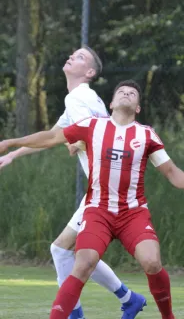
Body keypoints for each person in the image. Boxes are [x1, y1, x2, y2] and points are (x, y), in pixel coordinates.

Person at [0, 79, 184, 319]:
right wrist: (12, 143)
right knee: (83, 263)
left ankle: (168, 317)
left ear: (138, 107)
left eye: (132, 93)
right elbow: (51, 138)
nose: (126, 94)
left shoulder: (146, 134)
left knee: (152, 262)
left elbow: (170, 170)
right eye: (121, 91)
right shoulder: (92, 126)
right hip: (98, 211)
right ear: (112, 103)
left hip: (133, 213)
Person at [0, 50, 146, 319]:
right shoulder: (79, 100)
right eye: (73, 54)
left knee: (61, 249)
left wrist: (75, 142)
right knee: (70, 251)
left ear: (89, 73)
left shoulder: (79, 96)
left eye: (80, 57)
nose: (70, 56)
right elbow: (53, 136)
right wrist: (13, 152)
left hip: (105, 191)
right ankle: (129, 299)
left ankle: (79, 313)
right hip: (107, 188)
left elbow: (78, 136)